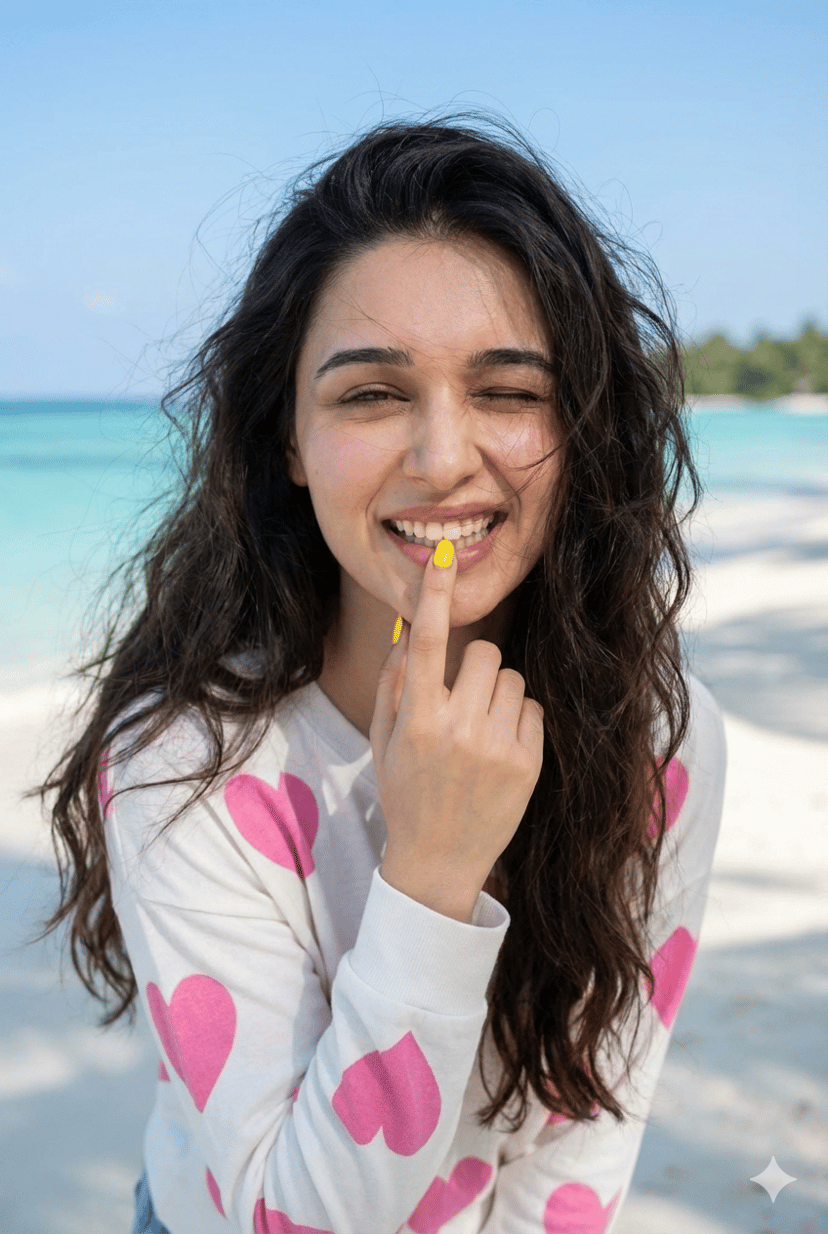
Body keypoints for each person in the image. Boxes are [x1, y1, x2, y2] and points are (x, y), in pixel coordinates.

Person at [31, 111, 726, 1234]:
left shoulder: (660, 745)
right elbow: (292, 1218)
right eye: (372, 393)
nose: (444, 456)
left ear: (586, 425)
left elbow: (584, 1142)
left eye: (508, 390)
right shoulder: (184, 762)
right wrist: (433, 873)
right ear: (289, 443)